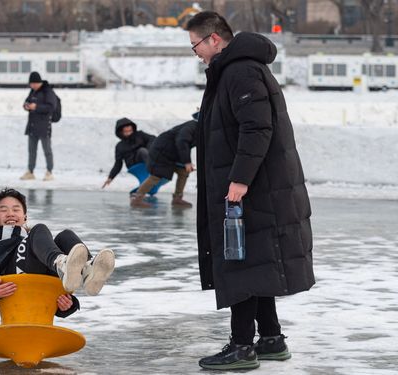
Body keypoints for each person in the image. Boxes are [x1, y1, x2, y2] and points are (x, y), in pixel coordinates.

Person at [186, 12, 314, 370]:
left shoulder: (239, 71)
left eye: (196, 44)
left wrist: (239, 180)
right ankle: (270, 337)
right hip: (256, 187)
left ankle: (242, 345)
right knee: (251, 260)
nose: (196, 53)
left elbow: (257, 129)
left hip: (251, 188)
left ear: (214, 39)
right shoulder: (233, 71)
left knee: (238, 262)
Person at [0, 188, 116, 315]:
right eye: (3, 210)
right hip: (10, 279)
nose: (10, 213)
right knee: (39, 229)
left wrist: (66, 305)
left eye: (16, 209)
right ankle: (61, 264)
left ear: (25, 217)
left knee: (65, 236)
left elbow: (52, 295)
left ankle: (88, 272)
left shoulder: (36, 242)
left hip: (38, 277)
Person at [130, 116, 198, 208]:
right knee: (156, 176)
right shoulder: (192, 126)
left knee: (183, 172)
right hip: (162, 151)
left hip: (174, 153)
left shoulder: (201, 128)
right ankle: (137, 199)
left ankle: (177, 198)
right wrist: (187, 162)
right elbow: (182, 141)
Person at [20, 72, 59, 182]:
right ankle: (30, 172)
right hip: (32, 125)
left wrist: (36, 106)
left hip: (44, 125)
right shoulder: (33, 91)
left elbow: (51, 107)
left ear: (38, 82)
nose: (32, 86)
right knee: (31, 150)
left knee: (47, 150)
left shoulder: (48, 91)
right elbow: (26, 102)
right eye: (30, 84)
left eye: (33, 84)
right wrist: (26, 106)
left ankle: (49, 172)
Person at [101, 117, 155, 189]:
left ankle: (155, 172)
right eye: (126, 132)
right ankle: (154, 172)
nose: (129, 133)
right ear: (121, 132)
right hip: (132, 164)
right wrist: (111, 177)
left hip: (144, 158)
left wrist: (149, 148)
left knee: (146, 151)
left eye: (130, 131)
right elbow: (118, 163)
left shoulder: (140, 135)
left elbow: (153, 139)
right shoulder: (119, 146)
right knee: (142, 151)